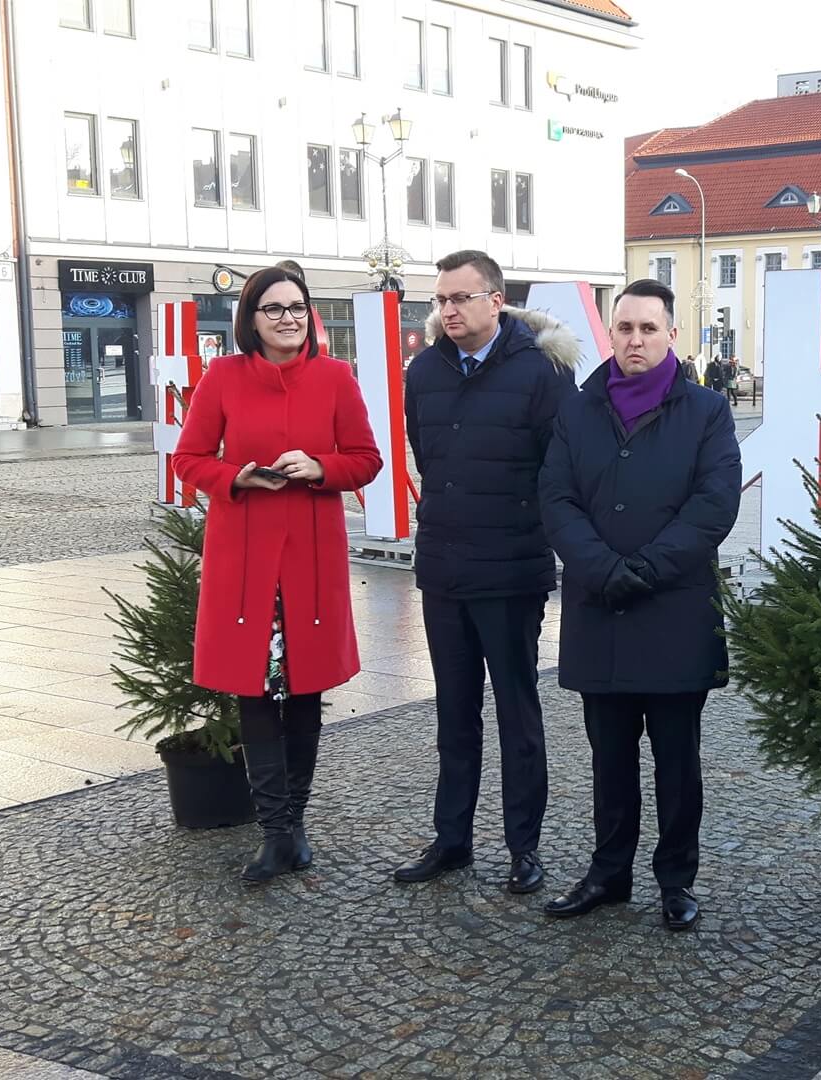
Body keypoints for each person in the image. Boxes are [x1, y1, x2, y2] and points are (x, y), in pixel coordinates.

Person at [539, 278, 743, 932]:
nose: (635, 340)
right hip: (601, 611)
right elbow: (557, 497)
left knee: (677, 762)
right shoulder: (579, 409)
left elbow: (714, 507)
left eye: (648, 329)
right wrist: (600, 567)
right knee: (610, 758)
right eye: (624, 328)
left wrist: (646, 568)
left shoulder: (707, 411)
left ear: (671, 336)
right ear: (612, 333)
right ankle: (609, 872)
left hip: (675, 614)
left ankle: (676, 879)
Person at [171, 265, 382, 883]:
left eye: (296, 306)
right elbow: (188, 458)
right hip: (245, 560)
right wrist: (235, 476)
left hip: (312, 560)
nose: (288, 317)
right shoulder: (223, 378)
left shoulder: (335, 377)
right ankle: (276, 832)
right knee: (256, 694)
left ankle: (294, 823)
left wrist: (318, 467)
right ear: (251, 319)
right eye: (274, 308)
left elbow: (366, 459)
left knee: (306, 692)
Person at [394, 250, 580, 895]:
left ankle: (524, 847)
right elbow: (429, 457)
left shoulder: (540, 372)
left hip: (511, 570)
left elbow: (559, 469)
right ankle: (452, 840)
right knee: (454, 713)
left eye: (460, 299)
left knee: (518, 714)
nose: (447, 310)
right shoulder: (423, 371)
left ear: (495, 301)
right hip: (444, 567)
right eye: (441, 300)